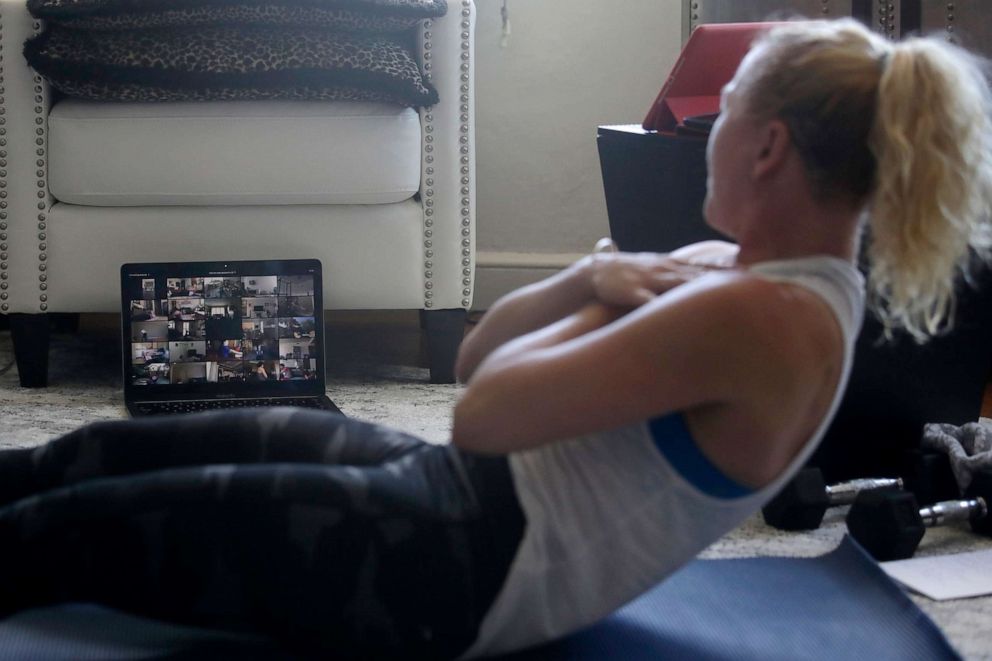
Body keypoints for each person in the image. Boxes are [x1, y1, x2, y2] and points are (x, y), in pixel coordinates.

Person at [0, 18, 990, 660]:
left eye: (723, 112)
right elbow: (476, 364)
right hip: (453, 494)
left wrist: (602, 296)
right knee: (87, 453)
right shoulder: (747, 276)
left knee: (62, 536)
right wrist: (584, 279)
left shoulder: (757, 317)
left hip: (460, 571)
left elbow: (480, 416)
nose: (711, 131)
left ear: (767, 146)